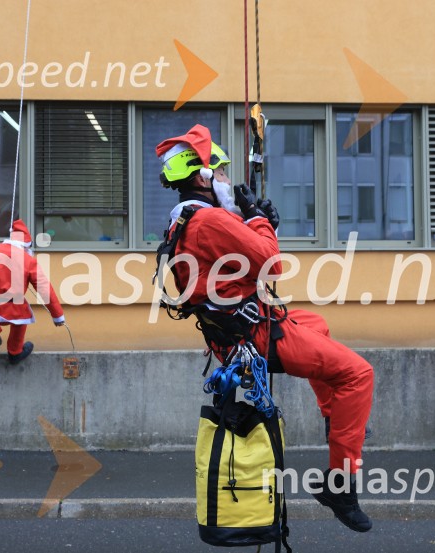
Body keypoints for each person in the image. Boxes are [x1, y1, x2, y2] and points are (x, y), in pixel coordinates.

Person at [155, 124, 375, 532]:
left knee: (318, 324)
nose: (225, 179)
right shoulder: (209, 222)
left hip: (235, 331)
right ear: (203, 178)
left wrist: (254, 220)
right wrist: (257, 218)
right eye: (219, 173)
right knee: (358, 374)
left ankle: (338, 420)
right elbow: (270, 263)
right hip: (252, 336)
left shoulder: (187, 219)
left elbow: (220, 265)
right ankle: (341, 486)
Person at [0, 219, 65, 364]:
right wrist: (58, 316)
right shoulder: (28, 260)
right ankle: (15, 352)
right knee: (21, 314)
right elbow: (44, 288)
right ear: (26, 245)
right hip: (10, 310)